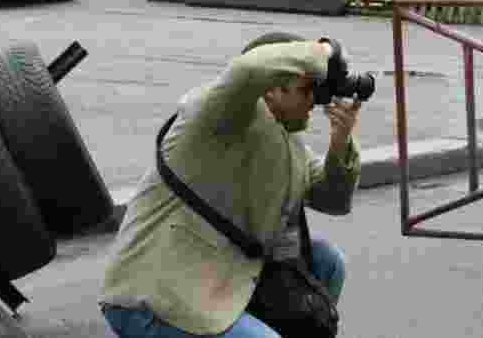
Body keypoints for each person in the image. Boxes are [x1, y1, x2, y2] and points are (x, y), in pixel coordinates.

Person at [100, 33, 363, 338]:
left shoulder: (289, 144)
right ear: (270, 87)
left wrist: (340, 142)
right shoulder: (216, 113)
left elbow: (334, 200)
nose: (314, 100)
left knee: (327, 262)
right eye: (306, 89)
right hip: (157, 293)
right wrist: (324, 52)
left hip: (221, 274)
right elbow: (247, 70)